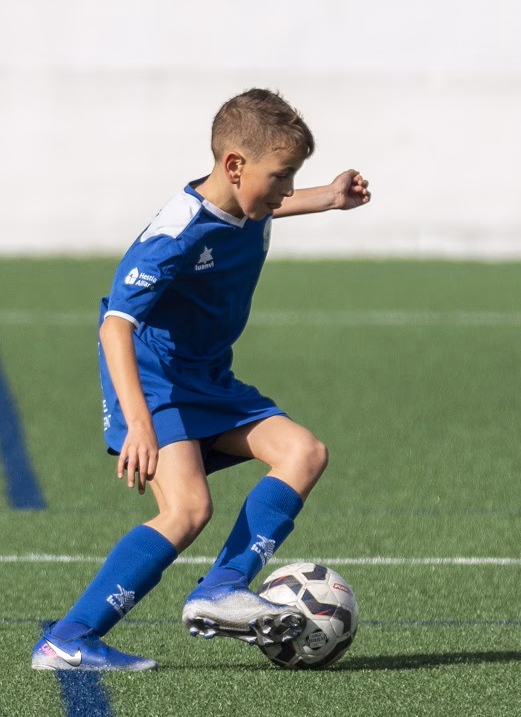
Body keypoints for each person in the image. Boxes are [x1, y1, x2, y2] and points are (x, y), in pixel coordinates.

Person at [31, 88, 371, 671]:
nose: (287, 189)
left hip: (209, 375)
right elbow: (116, 324)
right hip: (153, 377)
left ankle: (220, 589)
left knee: (304, 452)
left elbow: (256, 208)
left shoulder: (246, 202)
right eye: (283, 176)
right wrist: (139, 421)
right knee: (188, 510)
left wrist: (327, 199)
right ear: (235, 165)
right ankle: (70, 638)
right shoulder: (175, 231)